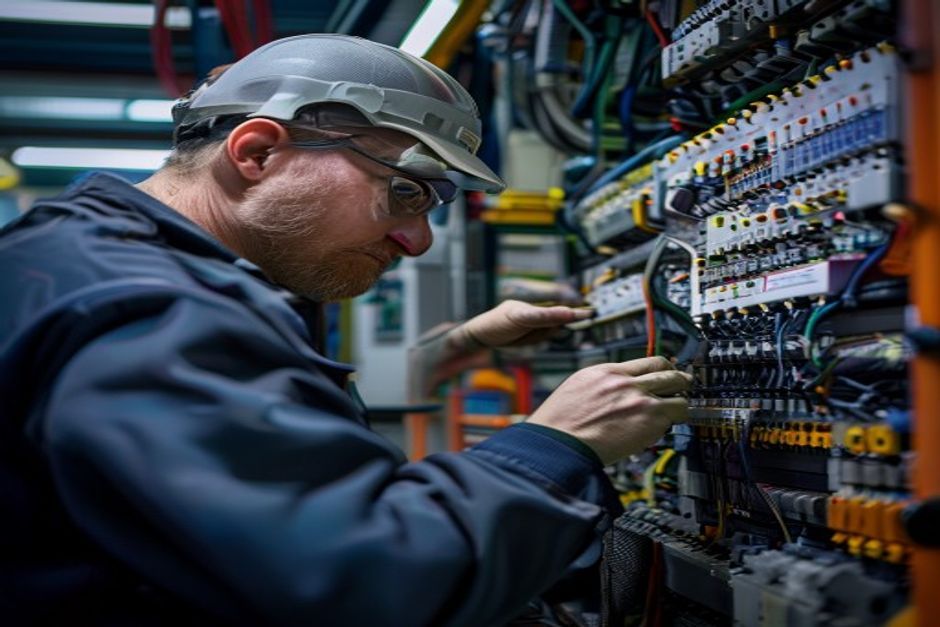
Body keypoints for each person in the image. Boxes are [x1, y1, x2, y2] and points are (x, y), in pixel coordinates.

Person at [0, 34, 690, 626]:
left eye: (434, 203)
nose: (416, 238)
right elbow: (374, 584)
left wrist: (462, 344)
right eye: (407, 189)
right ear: (259, 152)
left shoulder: (75, 257)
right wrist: (555, 446)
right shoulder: (148, 308)